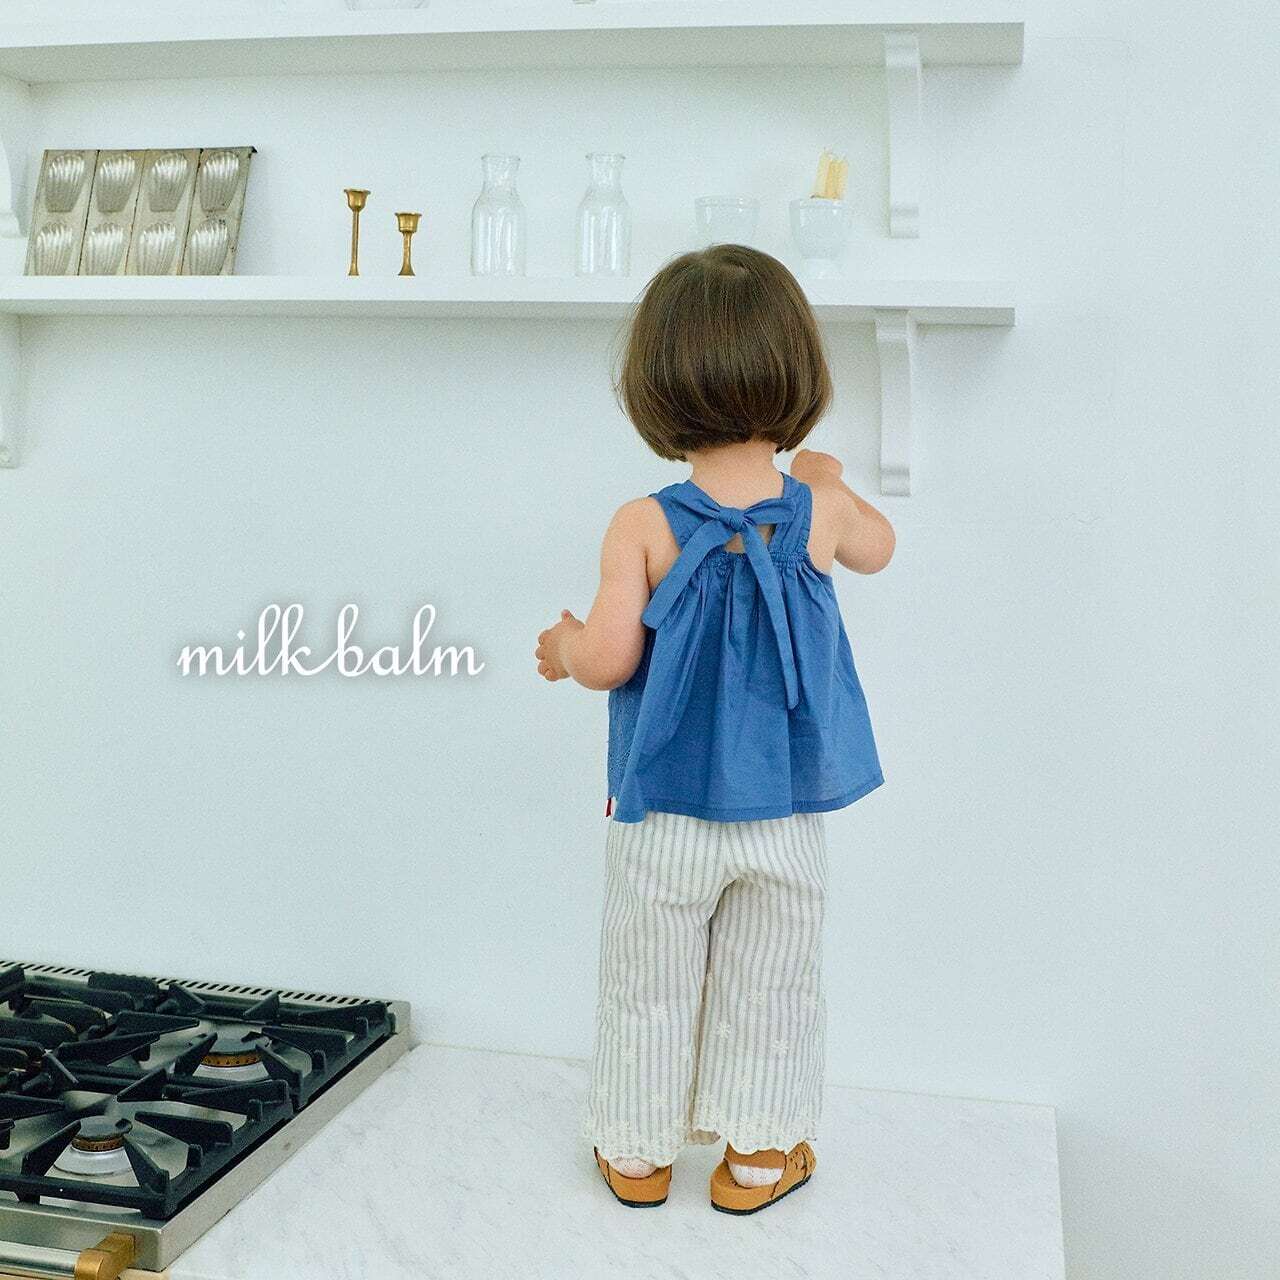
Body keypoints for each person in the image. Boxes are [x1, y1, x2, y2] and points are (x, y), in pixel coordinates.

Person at [535, 244, 894, 1215]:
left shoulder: (642, 522)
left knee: (646, 981)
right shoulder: (818, 511)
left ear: (655, 384)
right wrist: (826, 475)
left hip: (662, 812)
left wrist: (563, 646)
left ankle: (636, 1153)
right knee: (771, 985)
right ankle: (757, 1162)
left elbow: (610, 658)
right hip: (783, 809)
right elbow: (880, 547)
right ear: (797, 372)